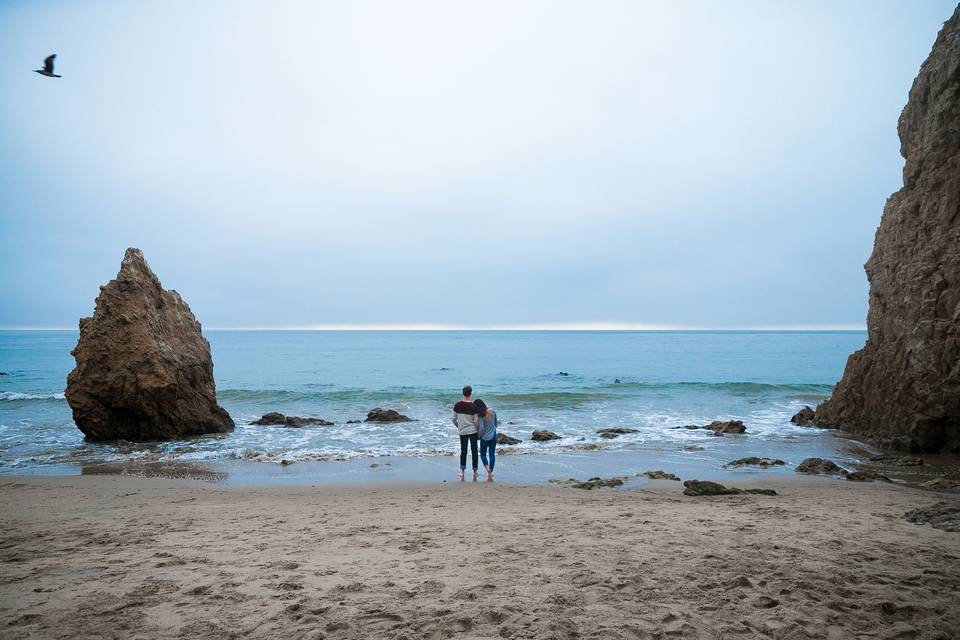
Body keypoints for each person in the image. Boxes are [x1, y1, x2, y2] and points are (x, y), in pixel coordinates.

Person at [452, 385, 481, 480]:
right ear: (470, 393)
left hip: (462, 431)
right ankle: (475, 472)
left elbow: (453, 419)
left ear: (462, 393)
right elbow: (476, 421)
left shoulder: (457, 405)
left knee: (463, 450)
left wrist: (459, 426)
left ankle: (462, 471)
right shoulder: (474, 406)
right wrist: (478, 430)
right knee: (474, 451)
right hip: (473, 431)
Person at [474, 398, 497, 481]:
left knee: (483, 454)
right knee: (492, 454)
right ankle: (491, 472)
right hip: (494, 435)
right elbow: (495, 423)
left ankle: (488, 469)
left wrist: (479, 436)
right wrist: (493, 430)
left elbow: (482, 429)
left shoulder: (480, 416)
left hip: (485, 438)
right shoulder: (492, 411)